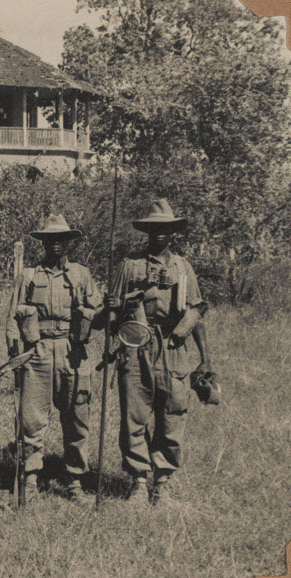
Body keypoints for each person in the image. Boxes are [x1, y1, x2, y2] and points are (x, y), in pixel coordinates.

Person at [108, 198, 210, 506]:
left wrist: (205, 358)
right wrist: (117, 310)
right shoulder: (130, 265)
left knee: (173, 414)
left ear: (173, 233)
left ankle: (162, 482)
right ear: (147, 231)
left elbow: (196, 314)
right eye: (154, 229)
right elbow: (110, 316)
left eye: (165, 230)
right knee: (134, 417)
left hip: (174, 347)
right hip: (137, 345)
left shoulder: (183, 267)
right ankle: (139, 481)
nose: (159, 235)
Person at [5, 214, 103, 504]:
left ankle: (74, 481)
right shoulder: (29, 276)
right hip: (38, 352)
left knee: (77, 419)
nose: (55, 244)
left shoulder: (81, 275)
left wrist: (101, 311)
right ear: (43, 243)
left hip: (74, 352)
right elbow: (12, 319)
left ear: (69, 242)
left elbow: (97, 314)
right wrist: (15, 357)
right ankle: (30, 480)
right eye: (50, 239)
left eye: (61, 239)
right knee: (32, 419)